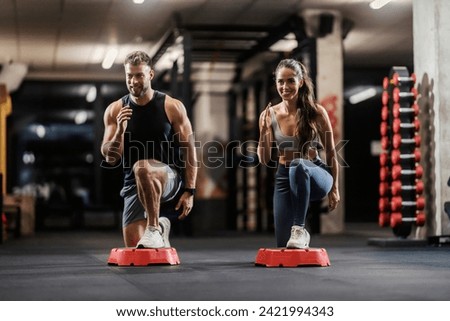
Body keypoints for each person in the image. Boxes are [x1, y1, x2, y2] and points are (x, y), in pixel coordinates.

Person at [101, 51, 198, 248]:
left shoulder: (172, 106)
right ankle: (161, 228)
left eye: (139, 75)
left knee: (143, 167)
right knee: (137, 250)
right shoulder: (115, 110)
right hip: (133, 184)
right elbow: (110, 158)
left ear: (151, 75)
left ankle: (153, 227)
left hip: (168, 178)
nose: (133, 81)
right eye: (129, 76)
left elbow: (190, 150)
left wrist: (190, 190)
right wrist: (119, 131)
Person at [257, 59, 340, 249]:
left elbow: (332, 153)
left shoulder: (316, 112)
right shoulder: (269, 114)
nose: (285, 86)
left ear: (300, 82)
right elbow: (264, 159)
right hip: (284, 177)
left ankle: (300, 228)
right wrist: (262, 132)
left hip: (315, 174)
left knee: (298, 164)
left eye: (290, 81)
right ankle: (297, 231)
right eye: (280, 81)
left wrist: (335, 189)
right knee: (283, 246)